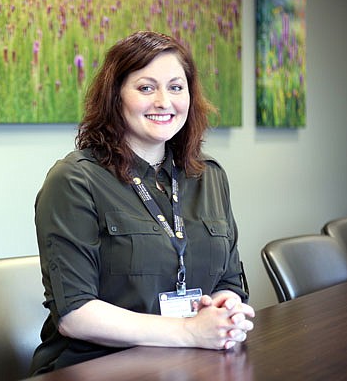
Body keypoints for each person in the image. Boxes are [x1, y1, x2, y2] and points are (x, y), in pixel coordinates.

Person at [29, 31, 255, 374]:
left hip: (189, 363)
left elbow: (229, 282)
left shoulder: (208, 177)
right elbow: (75, 315)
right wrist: (189, 331)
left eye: (176, 87)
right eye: (146, 88)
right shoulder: (74, 181)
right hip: (95, 367)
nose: (164, 101)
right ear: (115, 96)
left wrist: (226, 309)